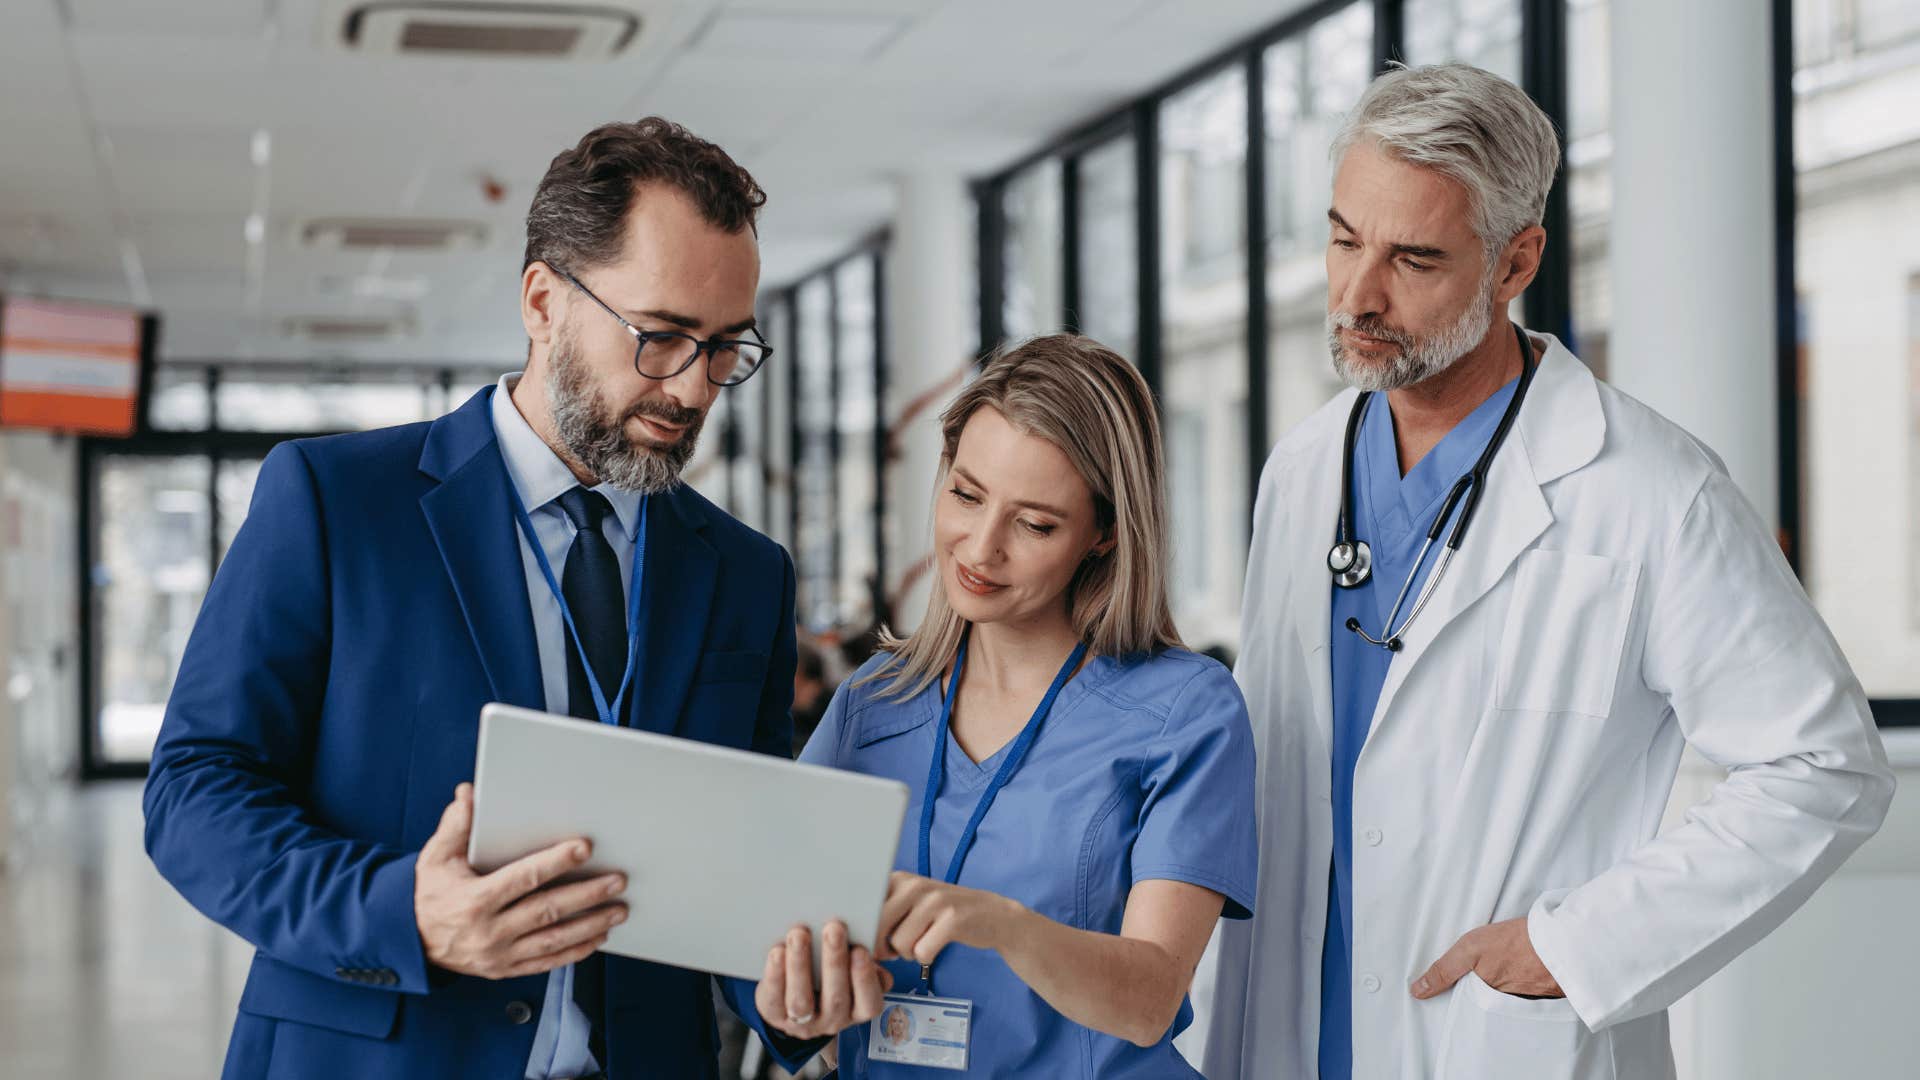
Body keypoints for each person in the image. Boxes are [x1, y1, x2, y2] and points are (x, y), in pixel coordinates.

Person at [1191, 64, 1895, 1079]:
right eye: (1343, 237)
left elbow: (1823, 766)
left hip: (1492, 1041)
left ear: (1516, 263)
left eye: (1414, 259)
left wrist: (1572, 948)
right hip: (1291, 1027)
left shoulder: (1650, 493)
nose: (1357, 293)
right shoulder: (1301, 468)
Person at [142, 117, 880, 1080]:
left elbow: (739, 869)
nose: (696, 389)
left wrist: (786, 991)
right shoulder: (336, 504)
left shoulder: (744, 570)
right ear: (543, 301)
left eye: (726, 348)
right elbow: (195, 789)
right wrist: (403, 911)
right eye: (660, 338)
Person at [751, 335, 1258, 1076]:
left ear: (1106, 535)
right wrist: (797, 1002)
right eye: (965, 494)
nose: (980, 548)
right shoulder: (873, 702)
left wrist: (1006, 928)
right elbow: (775, 929)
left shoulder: (1185, 713)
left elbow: (1151, 997)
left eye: (1035, 524)